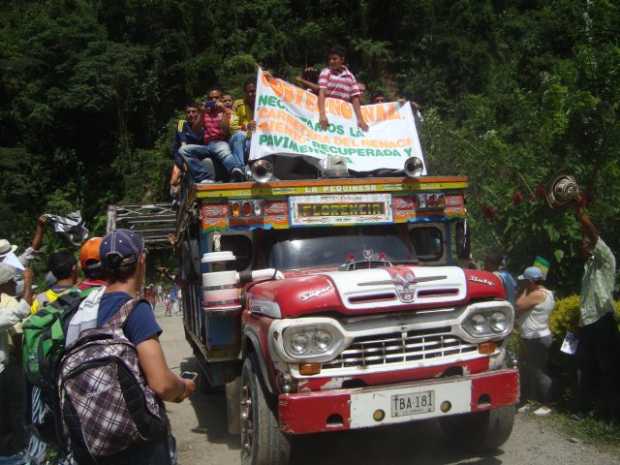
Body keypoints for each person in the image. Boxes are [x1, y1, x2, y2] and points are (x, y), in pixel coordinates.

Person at [67, 229, 195, 465]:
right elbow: (162, 384)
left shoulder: (79, 311)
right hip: (137, 445)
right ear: (142, 260)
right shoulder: (135, 310)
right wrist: (183, 387)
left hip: (89, 442)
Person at [574, 197, 619, 420]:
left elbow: (594, 236)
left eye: (585, 242)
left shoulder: (607, 259)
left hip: (603, 320)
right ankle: (586, 409)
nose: (582, 246)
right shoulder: (588, 267)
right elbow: (587, 299)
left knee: (608, 368)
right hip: (589, 322)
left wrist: (583, 218)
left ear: (594, 245)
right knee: (586, 366)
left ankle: (610, 414)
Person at [0, 264, 33, 456]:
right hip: (6, 372)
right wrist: (28, 283)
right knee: (14, 419)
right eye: (12, 281)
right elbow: (18, 313)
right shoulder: (9, 304)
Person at [178, 89, 245, 182]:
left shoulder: (227, 112)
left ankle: (235, 169)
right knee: (183, 150)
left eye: (216, 98)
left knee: (221, 147)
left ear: (221, 99)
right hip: (207, 146)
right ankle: (203, 177)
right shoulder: (205, 113)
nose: (213, 100)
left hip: (221, 142)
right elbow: (195, 130)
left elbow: (225, 130)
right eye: (211, 98)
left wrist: (224, 111)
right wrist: (202, 113)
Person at [515, 266, 555, 415]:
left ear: (531, 281)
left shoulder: (536, 294)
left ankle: (547, 404)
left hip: (536, 338)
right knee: (526, 371)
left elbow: (518, 305)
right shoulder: (548, 293)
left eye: (524, 281)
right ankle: (528, 401)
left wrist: (524, 290)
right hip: (533, 336)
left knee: (539, 372)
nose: (522, 284)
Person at [318, 46, 368, 131]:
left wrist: (360, 119)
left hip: (344, 118)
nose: (331, 61)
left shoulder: (350, 76)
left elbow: (355, 98)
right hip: (328, 114)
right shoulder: (326, 72)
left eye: (334, 59)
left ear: (342, 60)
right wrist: (322, 114)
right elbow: (322, 92)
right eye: (330, 59)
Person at [170, 102, 214, 190]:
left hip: (197, 155)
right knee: (174, 181)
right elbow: (183, 145)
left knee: (208, 162)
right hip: (182, 155)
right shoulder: (182, 123)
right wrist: (184, 163)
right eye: (188, 112)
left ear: (198, 113)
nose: (191, 114)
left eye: (193, 112)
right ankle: (176, 195)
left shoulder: (203, 126)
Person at [227, 79, 257, 166]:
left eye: (253, 91)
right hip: (241, 139)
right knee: (239, 135)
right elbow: (232, 127)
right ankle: (240, 169)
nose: (250, 94)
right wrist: (247, 126)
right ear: (244, 93)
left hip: (255, 141)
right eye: (248, 92)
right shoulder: (238, 104)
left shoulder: (265, 105)